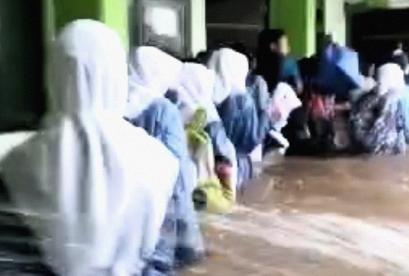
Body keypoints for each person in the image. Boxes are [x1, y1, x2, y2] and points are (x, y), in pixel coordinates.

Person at [0, 20, 180, 275]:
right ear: (117, 76)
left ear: (53, 75)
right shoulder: (158, 163)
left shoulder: (14, 163)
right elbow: (161, 263)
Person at [125, 47, 205, 274]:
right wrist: (190, 242)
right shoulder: (162, 110)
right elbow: (176, 179)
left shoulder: (114, 103)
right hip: (158, 219)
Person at [208, 48, 271, 188]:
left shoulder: (204, 96)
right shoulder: (242, 101)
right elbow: (252, 140)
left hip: (210, 164)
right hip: (235, 165)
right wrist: (267, 115)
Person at [351, 63, 407, 155]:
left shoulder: (393, 101)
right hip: (373, 143)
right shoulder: (372, 99)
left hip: (376, 144)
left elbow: (400, 129)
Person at [256, 29, 303, 94]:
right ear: (273, 46)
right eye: (286, 44)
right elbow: (298, 88)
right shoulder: (287, 62)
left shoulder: (257, 66)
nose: (289, 47)